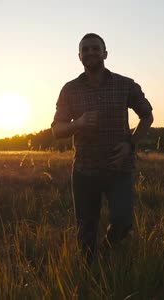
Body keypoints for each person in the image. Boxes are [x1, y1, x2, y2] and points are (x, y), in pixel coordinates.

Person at [51, 33, 154, 260]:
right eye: (85, 49)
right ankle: (90, 272)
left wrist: (130, 144)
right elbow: (56, 129)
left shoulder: (125, 85)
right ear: (79, 56)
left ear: (105, 53)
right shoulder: (70, 89)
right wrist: (77, 123)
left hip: (119, 169)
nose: (90, 52)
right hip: (84, 171)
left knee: (123, 222)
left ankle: (107, 251)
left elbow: (147, 116)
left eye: (95, 48)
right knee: (85, 232)